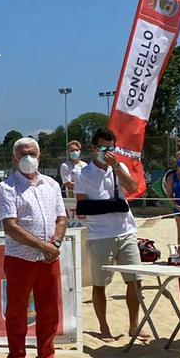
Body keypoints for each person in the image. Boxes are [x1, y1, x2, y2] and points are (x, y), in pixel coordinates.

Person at [0, 137, 69, 358]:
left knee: (50, 310)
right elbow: (11, 227)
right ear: (14, 158)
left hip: (48, 258)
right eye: (23, 154)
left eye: (32, 153)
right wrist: (43, 246)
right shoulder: (6, 188)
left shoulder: (52, 185)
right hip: (20, 258)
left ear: (40, 155)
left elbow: (61, 218)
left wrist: (54, 244)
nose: (28, 158)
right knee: (17, 310)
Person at [74, 127, 142, 341]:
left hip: (126, 230)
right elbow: (83, 206)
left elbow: (133, 189)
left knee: (135, 281)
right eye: (103, 148)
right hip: (100, 234)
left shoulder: (119, 167)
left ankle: (134, 325)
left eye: (111, 148)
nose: (108, 152)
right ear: (94, 148)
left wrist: (117, 169)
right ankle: (104, 327)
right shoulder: (83, 174)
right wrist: (113, 205)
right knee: (100, 283)